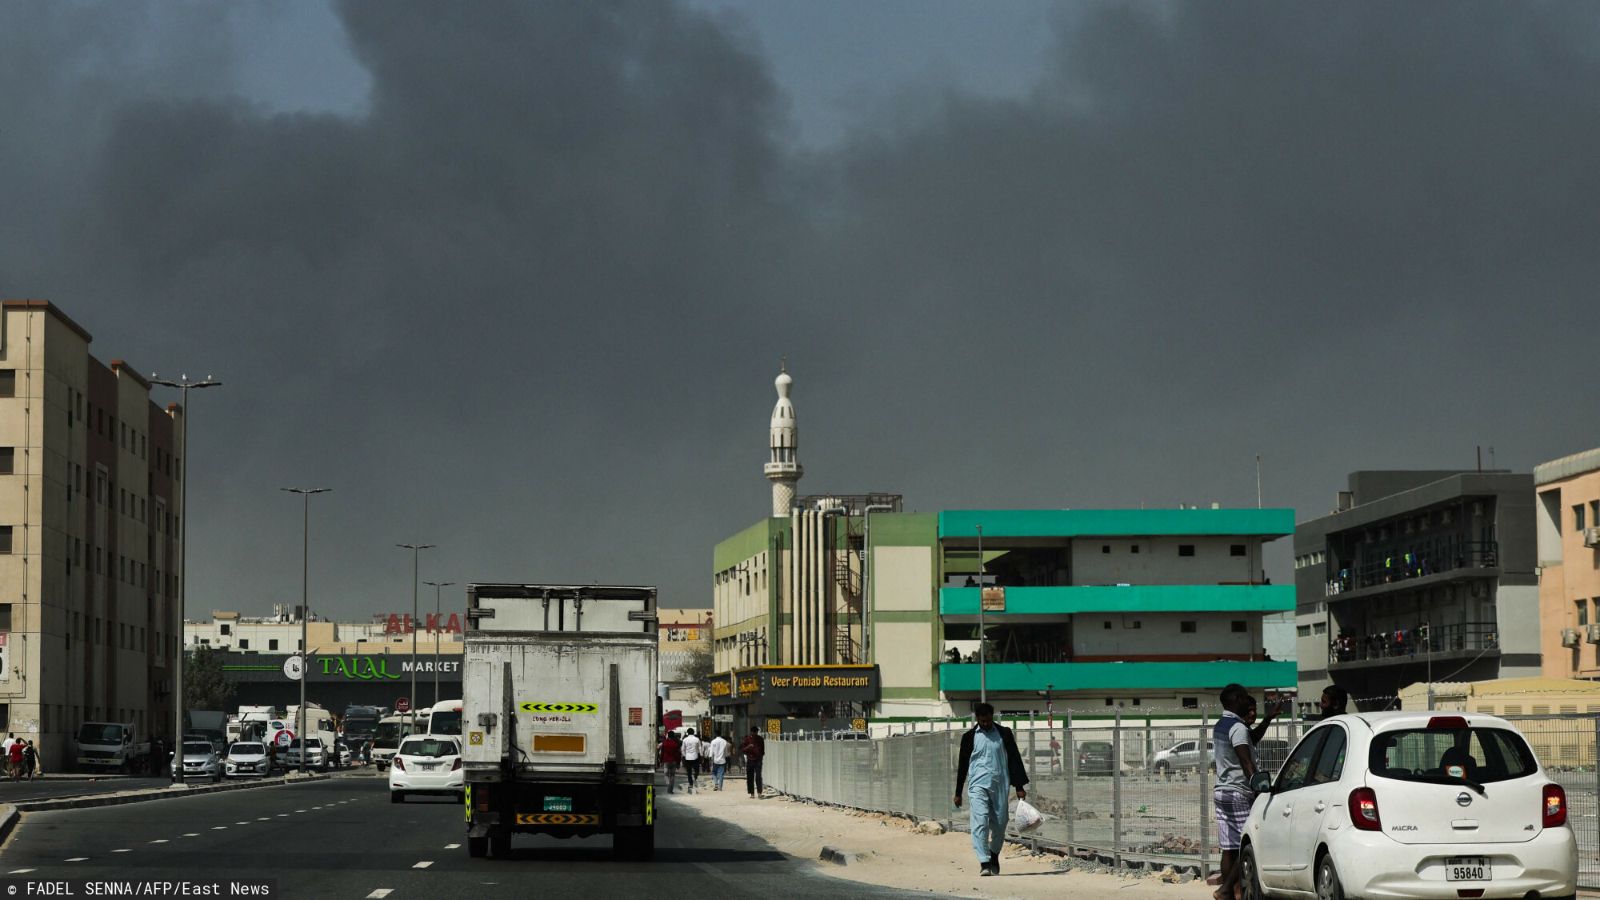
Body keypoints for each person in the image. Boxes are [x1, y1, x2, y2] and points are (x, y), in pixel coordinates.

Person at [953, 702, 1029, 877]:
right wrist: (958, 792)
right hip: (977, 786)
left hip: (1000, 785)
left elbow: (1014, 759)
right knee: (980, 822)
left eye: (988, 720)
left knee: (1001, 823)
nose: (986, 724)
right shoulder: (969, 737)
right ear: (977, 719)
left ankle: (994, 853)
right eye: (982, 721)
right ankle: (984, 861)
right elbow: (963, 765)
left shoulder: (1004, 733)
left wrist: (1019, 786)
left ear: (992, 717)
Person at [1213, 684, 1260, 900]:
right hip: (1238, 791)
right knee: (1246, 844)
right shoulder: (1237, 727)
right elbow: (1245, 762)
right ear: (1237, 700)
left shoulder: (1220, 725)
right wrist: (1259, 786)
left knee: (1229, 847)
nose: (1247, 702)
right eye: (1244, 698)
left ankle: (1230, 894)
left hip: (1221, 792)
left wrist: (1268, 719)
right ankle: (1225, 890)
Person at [741, 726, 765, 798]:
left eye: (756, 732)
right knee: (750, 777)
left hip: (758, 760)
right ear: (751, 732)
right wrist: (748, 747)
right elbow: (743, 749)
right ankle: (752, 793)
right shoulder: (747, 739)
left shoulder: (760, 739)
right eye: (753, 732)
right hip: (750, 760)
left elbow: (763, 750)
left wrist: (760, 758)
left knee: (758, 776)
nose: (754, 734)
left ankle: (759, 792)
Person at [658, 730, 683, 794]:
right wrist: (678, 763)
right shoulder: (676, 744)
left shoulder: (664, 743)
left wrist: (661, 761)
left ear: (668, 736)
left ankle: (668, 783)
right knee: (672, 776)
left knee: (666, 774)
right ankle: (670, 790)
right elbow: (678, 754)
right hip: (674, 761)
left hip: (666, 761)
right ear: (673, 736)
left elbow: (662, 753)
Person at [681, 728, 703, 794]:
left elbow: (683, 749)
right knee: (696, 770)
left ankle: (691, 783)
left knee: (689, 772)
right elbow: (700, 748)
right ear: (693, 732)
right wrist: (701, 755)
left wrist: (684, 756)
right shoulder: (697, 739)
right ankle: (695, 777)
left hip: (687, 757)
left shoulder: (685, 740)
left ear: (687, 733)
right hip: (695, 757)